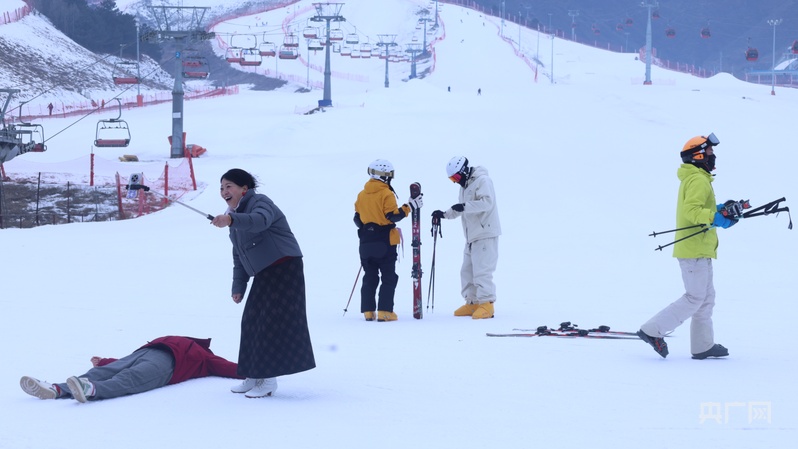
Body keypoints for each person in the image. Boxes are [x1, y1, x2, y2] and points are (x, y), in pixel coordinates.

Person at [211, 168, 315, 398]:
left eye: (229, 186)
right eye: (221, 188)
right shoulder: (234, 216)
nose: (224, 191)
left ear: (244, 189)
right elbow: (239, 255)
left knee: (269, 323)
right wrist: (238, 286)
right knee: (251, 321)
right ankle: (254, 374)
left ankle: (267, 379)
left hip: (284, 266)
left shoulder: (260, 202)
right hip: (265, 272)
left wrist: (231, 220)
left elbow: (260, 221)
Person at [637, 133, 732, 360]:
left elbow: (700, 208)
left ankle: (702, 346)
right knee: (695, 298)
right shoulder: (698, 179)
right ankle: (652, 330)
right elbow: (692, 211)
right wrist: (715, 217)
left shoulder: (697, 178)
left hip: (700, 248)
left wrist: (722, 210)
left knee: (706, 299)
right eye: (709, 151)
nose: (713, 155)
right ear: (698, 155)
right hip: (694, 249)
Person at [20, 336, 241, 403]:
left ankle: (91, 390)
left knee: (131, 377)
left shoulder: (206, 356)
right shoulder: (175, 338)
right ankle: (56, 389)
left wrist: (256, 369)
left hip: (169, 364)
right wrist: (106, 361)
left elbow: (231, 368)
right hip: (144, 352)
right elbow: (120, 363)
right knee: (103, 372)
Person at [432, 156, 501, 319]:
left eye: (456, 177)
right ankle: (472, 302)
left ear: (463, 171)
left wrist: (464, 206)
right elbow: (461, 208)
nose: (456, 181)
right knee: (467, 271)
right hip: (471, 236)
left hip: (485, 233)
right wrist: (444, 214)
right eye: (452, 179)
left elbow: (487, 203)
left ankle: (487, 304)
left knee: (482, 270)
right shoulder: (465, 187)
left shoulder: (483, 181)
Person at [354, 159, 422, 322]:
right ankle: (385, 311)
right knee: (388, 276)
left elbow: (357, 219)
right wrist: (409, 207)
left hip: (365, 243)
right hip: (384, 242)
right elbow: (393, 216)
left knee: (369, 276)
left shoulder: (361, 195)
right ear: (384, 175)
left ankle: (368, 311)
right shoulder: (386, 193)